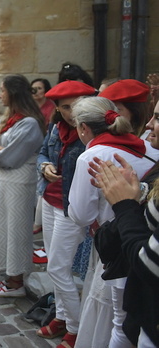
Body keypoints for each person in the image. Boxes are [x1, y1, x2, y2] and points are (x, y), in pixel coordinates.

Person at [68, 96, 159, 348]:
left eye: (158, 118)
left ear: (83, 128)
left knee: (117, 321)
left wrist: (122, 202)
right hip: (134, 243)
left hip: (119, 247)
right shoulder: (148, 148)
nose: (150, 125)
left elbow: (81, 216)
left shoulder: (91, 157)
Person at [35, 81, 97, 346]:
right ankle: (62, 315)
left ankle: (75, 327)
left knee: (58, 267)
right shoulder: (55, 127)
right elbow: (41, 153)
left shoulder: (91, 133)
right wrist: (44, 166)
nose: (72, 112)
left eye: (77, 105)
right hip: (50, 200)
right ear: (58, 109)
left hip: (71, 207)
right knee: (55, 264)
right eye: (66, 107)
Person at [0, 74, 45, 297]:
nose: (0, 95)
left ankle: (17, 281)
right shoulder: (13, 119)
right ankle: (10, 278)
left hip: (19, 183)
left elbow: (10, 157)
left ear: (13, 92)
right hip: (6, 181)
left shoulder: (29, 123)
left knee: (17, 230)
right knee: (5, 229)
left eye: (2, 90)